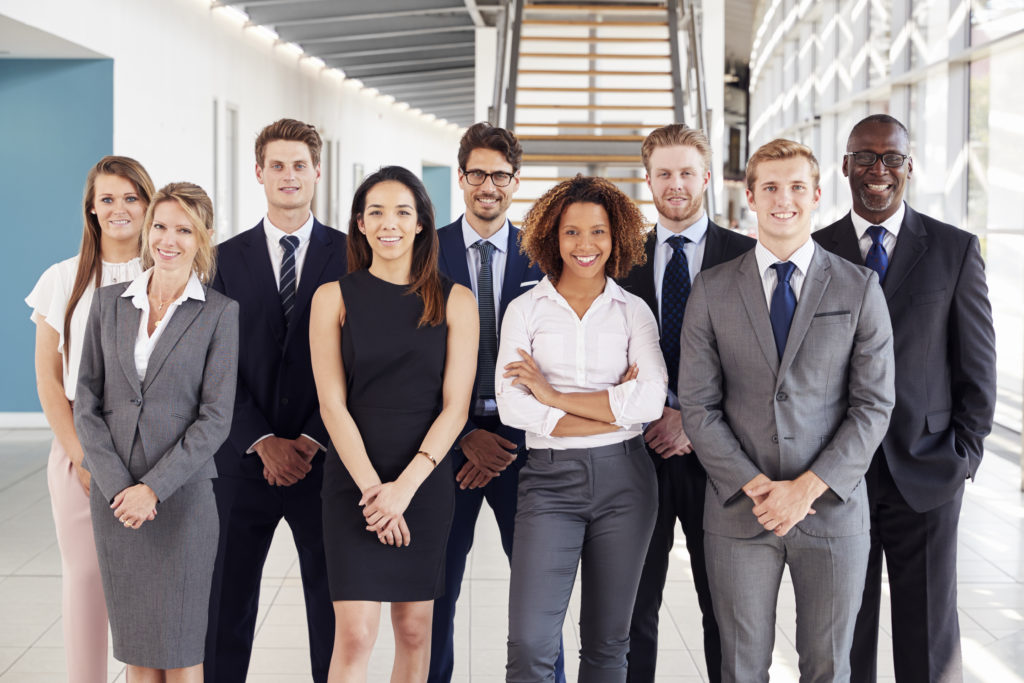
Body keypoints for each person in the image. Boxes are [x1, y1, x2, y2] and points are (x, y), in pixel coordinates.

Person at [679, 139, 895, 682]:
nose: (784, 199)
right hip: (738, 512)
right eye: (770, 187)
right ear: (749, 196)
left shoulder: (860, 287)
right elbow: (698, 406)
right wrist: (757, 487)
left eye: (797, 187)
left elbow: (873, 405)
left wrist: (804, 490)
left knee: (827, 666)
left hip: (831, 510)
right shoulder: (711, 290)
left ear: (817, 194)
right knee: (741, 666)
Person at [814, 114, 997, 683]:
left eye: (891, 158)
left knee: (928, 635)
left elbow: (978, 368)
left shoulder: (953, 250)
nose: (878, 170)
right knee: (844, 630)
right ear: (845, 167)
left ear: (909, 167)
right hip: (838, 475)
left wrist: (961, 456)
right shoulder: (815, 252)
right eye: (865, 157)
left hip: (928, 470)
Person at [310, 165, 478, 681]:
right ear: (360, 224)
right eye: (376, 212)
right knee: (356, 633)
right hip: (354, 483)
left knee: (414, 630)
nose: (390, 223)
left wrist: (403, 491)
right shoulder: (332, 298)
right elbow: (331, 405)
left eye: (403, 212)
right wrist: (374, 494)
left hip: (422, 483)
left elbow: (456, 408)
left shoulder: (456, 300)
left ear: (422, 223)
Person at [497, 175, 667, 682]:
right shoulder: (524, 311)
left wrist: (550, 396)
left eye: (598, 232)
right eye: (572, 232)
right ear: (552, 236)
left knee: (608, 643)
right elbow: (511, 407)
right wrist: (613, 406)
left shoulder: (634, 312)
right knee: (529, 643)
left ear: (617, 238)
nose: (585, 245)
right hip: (549, 483)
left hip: (626, 483)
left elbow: (651, 401)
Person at [74, 181, 239, 679]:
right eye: (161, 227)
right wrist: (120, 487)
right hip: (116, 502)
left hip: (183, 502)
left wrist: (153, 489)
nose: (169, 240)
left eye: (183, 230)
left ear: (204, 236)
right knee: (138, 655)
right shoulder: (108, 303)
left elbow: (215, 419)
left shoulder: (220, 314)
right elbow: (87, 402)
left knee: (183, 654)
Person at [206, 118, 346, 683]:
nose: (289, 176)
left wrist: (311, 437)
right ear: (258, 172)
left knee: (331, 608)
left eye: (299, 165)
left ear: (318, 171)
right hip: (240, 462)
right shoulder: (219, 260)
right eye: (277, 165)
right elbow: (211, 366)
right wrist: (261, 439)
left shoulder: (352, 256)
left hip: (330, 462)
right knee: (225, 606)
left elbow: (361, 362)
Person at [619, 123, 754, 683]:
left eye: (686, 172)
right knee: (631, 610)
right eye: (664, 173)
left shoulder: (748, 256)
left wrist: (693, 423)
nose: (676, 184)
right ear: (647, 180)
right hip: (637, 458)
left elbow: (758, 365)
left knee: (726, 612)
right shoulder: (621, 258)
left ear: (706, 176)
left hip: (721, 462)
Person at [430, 122, 565, 683]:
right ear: (461, 178)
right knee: (435, 597)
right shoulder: (424, 251)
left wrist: (510, 436)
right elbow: (407, 360)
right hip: (440, 446)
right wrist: (462, 435)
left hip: (524, 448)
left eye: (501, 175)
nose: (490, 185)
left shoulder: (547, 257)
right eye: (479, 173)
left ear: (516, 182)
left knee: (539, 601)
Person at [26, 156, 155, 683]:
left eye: (131, 198)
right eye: (108, 199)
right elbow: (49, 380)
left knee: (150, 588)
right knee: (86, 581)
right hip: (82, 442)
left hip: (155, 446)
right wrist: (84, 457)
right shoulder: (62, 279)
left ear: (149, 204)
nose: (119, 209)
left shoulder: (170, 273)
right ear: (91, 208)